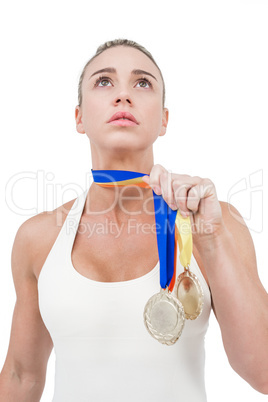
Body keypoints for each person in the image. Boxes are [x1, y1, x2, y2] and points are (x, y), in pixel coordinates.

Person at [0, 38, 267, 401]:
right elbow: (21, 376)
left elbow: (263, 373)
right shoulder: (38, 238)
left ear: (164, 120)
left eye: (142, 83)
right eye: (104, 81)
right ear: (79, 117)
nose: (123, 95)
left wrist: (211, 239)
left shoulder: (215, 222)